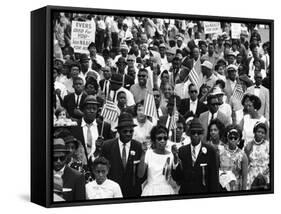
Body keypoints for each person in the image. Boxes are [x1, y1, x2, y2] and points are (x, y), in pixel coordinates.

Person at [101, 112, 143, 198]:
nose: (128, 134)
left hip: (132, 193)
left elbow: (141, 173)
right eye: (125, 131)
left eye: (131, 131)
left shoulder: (138, 146)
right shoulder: (107, 146)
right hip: (111, 192)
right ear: (119, 131)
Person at [171, 118, 219, 194]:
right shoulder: (182, 151)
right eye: (193, 132)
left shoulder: (210, 151)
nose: (196, 135)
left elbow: (214, 179)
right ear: (189, 133)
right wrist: (175, 159)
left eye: (198, 132)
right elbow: (176, 177)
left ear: (202, 134)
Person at [70, 95, 113, 162]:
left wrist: (102, 146)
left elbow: (110, 148)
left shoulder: (104, 127)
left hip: (99, 166)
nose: (91, 111)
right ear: (83, 109)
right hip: (80, 165)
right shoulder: (74, 126)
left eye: (94, 108)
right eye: (88, 108)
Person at [138, 125, 175, 196]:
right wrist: (143, 154)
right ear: (154, 140)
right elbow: (140, 175)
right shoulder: (148, 153)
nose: (162, 141)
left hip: (167, 191)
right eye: (159, 138)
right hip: (151, 191)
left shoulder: (171, 155)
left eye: (165, 138)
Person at [219, 125, 248, 191]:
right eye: (231, 137)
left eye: (235, 137)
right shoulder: (220, 153)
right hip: (222, 188)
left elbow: (244, 177)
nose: (233, 139)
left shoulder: (243, 156)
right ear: (227, 137)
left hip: (236, 189)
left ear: (239, 139)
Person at [244, 122, 270, 190]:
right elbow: (246, 162)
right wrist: (247, 150)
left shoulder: (268, 145)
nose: (260, 134)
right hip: (252, 171)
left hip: (266, 171)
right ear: (254, 132)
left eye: (263, 133)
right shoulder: (249, 145)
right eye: (259, 131)